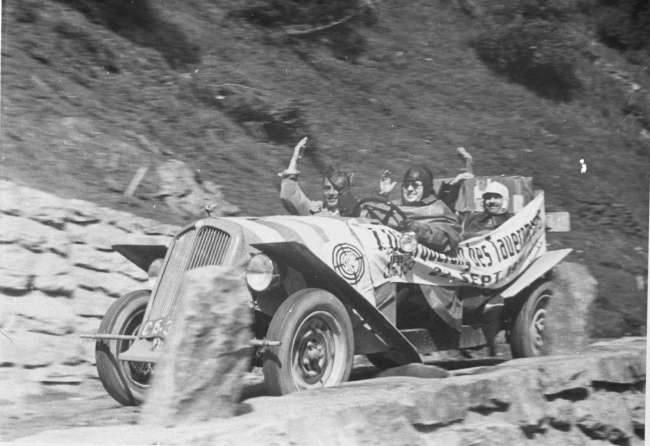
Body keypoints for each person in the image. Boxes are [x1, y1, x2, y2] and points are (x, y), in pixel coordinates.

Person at [379, 165, 464, 332]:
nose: (409, 189)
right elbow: (373, 220)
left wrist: (416, 228)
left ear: (426, 187)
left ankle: (383, 325)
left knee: (397, 275)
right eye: (406, 185)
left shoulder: (438, 208)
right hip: (390, 263)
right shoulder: (394, 207)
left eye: (415, 185)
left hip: (427, 276)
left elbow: (444, 239)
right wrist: (383, 196)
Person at [279, 138, 356, 217]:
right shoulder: (314, 211)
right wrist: (294, 160)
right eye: (327, 188)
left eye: (336, 188)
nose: (331, 193)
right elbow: (289, 196)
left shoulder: (356, 213)